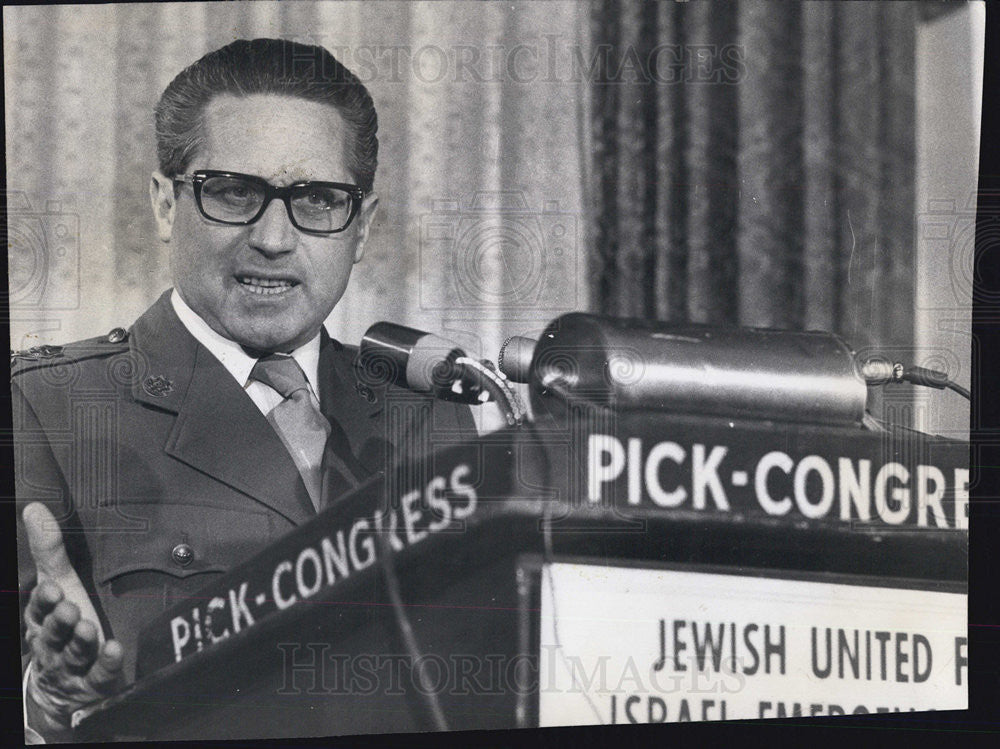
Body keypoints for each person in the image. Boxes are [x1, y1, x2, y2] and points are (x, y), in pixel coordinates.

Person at [13, 38, 475, 743]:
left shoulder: (431, 414)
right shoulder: (49, 410)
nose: (273, 237)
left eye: (319, 199)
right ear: (166, 204)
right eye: (234, 192)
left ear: (362, 228)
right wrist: (47, 703)